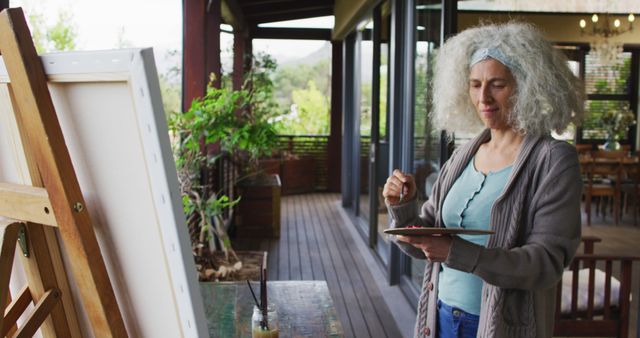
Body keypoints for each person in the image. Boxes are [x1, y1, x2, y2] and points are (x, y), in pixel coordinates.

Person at [383, 22, 584, 338]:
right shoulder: (464, 154)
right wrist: (404, 209)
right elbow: (427, 242)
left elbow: (546, 263)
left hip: (501, 326)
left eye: (498, 84)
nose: (483, 97)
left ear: (526, 85)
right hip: (440, 315)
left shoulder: (553, 160)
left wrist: (454, 252)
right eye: (475, 84)